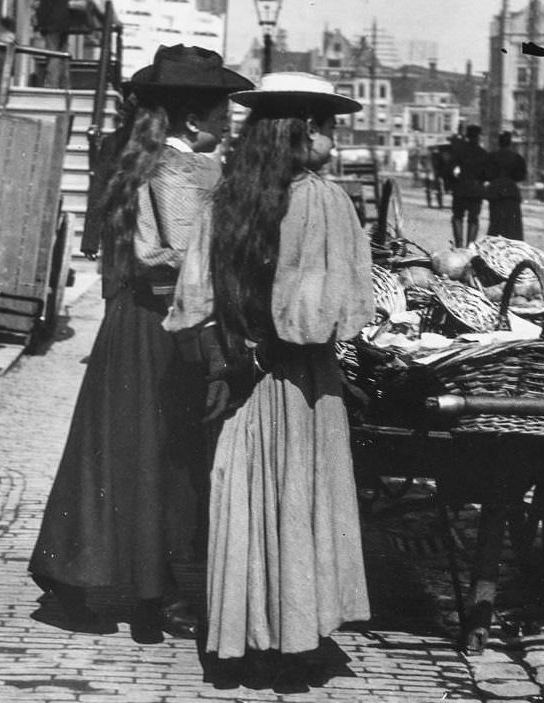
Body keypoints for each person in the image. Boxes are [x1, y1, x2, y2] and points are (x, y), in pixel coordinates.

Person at [28, 45, 254, 644]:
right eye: (220, 108)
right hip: (162, 324)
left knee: (132, 451)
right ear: (190, 119)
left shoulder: (166, 161)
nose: (229, 118)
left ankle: (98, 578)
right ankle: (151, 591)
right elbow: (182, 258)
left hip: (148, 320)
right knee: (152, 455)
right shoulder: (174, 171)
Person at [197, 72, 373, 680]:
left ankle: (245, 630)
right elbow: (331, 314)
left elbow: (200, 292)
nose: (332, 141)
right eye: (326, 128)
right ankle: (293, 632)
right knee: (299, 497)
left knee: (248, 495)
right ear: (300, 131)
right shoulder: (322, 199)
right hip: (299, 379)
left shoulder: (228, 194)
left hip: (244, 372)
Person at [449, 124, 490, 247]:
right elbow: (487, 174)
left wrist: (455, 182)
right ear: (478, 137)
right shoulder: (483, 153)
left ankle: (459, 245)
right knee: (473, 219)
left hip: (460, 188)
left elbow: (450, 170)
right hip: (476, 190)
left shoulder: (459, 152)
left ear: (467, 137)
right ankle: (470, 247)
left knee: (457, 217)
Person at [485, 130, 527, 239]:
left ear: (499, 143)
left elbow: (486, 174)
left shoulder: (491, 156)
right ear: (510, 143)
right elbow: (522, 176)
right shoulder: (517, 157)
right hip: (511, 191)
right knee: (512, 223)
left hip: (495, 191)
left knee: (495, 222)